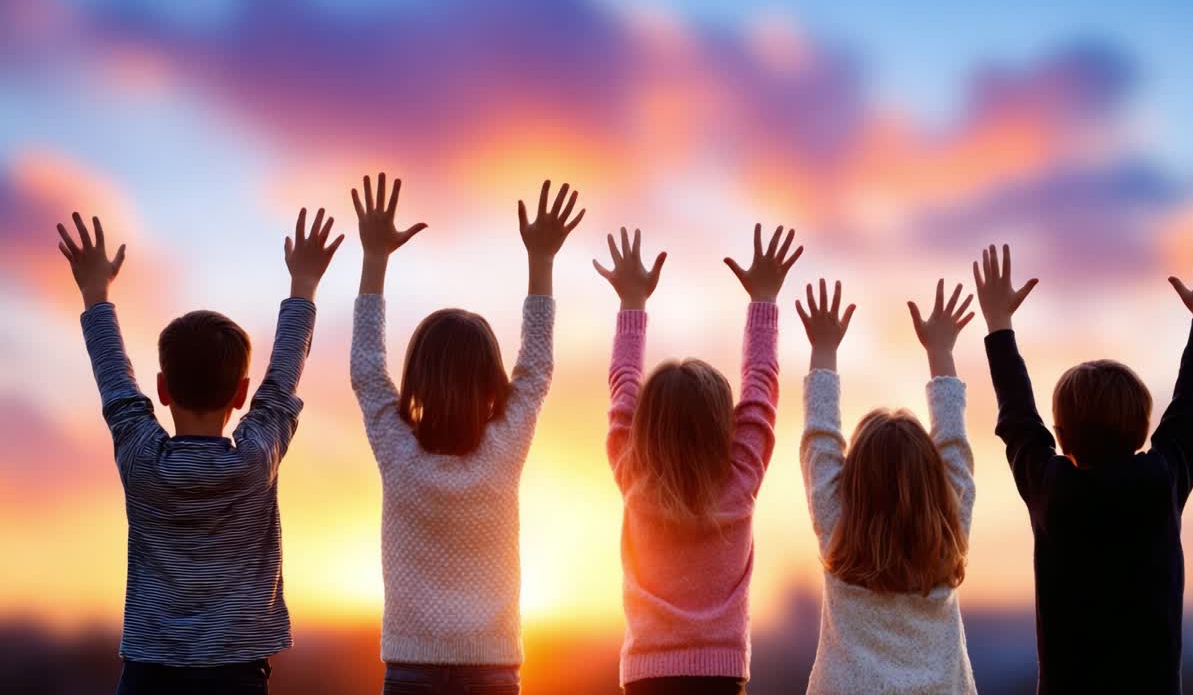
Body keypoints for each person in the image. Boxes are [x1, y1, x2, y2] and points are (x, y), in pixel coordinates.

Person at [59, 208, 342, 695]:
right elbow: (285, 372)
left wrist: (94, 291)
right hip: (236, 677)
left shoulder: (140, 455)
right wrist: (303, 283)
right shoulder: (256, 459)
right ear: (241, 394)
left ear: (162, 389)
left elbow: (112, 372)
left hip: (147, 675)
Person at [349, 175, 582, 695]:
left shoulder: (398, 454)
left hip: (409, 669)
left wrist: (374, 258)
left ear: (417, 378)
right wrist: (541, 260)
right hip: (493, 671)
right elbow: (537, 368)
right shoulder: (504, 453)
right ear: (491, 380)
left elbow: (366, 370)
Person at [976, 243, 1193, 693]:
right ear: (1143, 428)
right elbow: (1191, 408)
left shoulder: (1051, 490)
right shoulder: (1162, 481)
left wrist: (999, 325)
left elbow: (1019, 418)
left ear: (1060, 435)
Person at [596, 224, 801, 695]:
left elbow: (623, 385)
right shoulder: (741, 477)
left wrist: (632, 303)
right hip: (722, 675)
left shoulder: (633, 477)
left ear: (644, 427)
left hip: (646, 675)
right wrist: (764, 300)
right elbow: (760, 385)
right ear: (723, 426)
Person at [798, 277, 978, 694]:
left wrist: (823, 349)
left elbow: (819, 442)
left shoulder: (838, 534)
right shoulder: (949, 534)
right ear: (936, 483)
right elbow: (954, 445)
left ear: (851, 484)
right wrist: (941, 352)